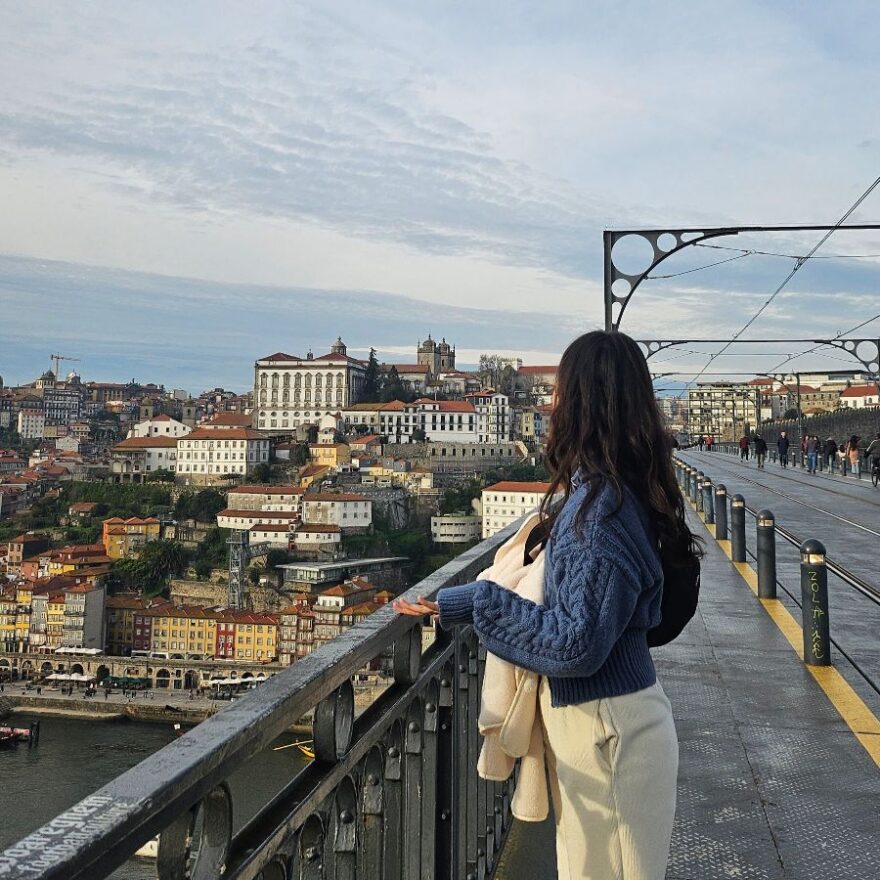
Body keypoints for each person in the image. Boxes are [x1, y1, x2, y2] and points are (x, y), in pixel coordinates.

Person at [395, 331, 700, 880]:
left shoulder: (598, 511)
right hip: (617, 720)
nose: (551, 401)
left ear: (580, 400)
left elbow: (575, 644)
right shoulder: (617, 490)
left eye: (559, 389)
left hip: (606, 728)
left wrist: (477, 600)